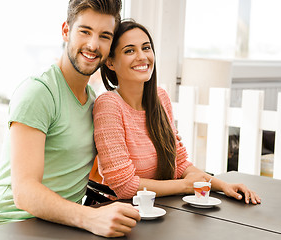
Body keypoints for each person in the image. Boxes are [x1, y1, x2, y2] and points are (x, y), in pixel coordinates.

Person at [0, 1, 140, 238]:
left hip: (61, 227)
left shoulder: (94, 102)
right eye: (85, 31)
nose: (93, 44)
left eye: (104, 36)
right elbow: (24, 191)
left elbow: (96, 173)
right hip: (9, 227)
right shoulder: (38, 93)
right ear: (66, 31)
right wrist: (90, 217)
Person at [93, 20, 261, 205]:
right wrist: (185, 186)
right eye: (129, 50)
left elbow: (179, 164)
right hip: (124, 213)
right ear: (110, 62)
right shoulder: (108, 105)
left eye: (146, 48)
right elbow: (125, 186)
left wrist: (222, 186)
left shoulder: (160, 98)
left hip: (164, 207)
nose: (142, 56)